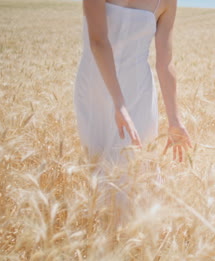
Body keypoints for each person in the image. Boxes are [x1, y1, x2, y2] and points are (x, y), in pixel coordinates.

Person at [74, 0, 192, 164]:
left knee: (137, 164)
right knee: (97, 163)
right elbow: (98, 42)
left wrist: (175, 120)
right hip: (96, 86)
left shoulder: (168, 2)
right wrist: (119, 104)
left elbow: (165, 64)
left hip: (138, 91)